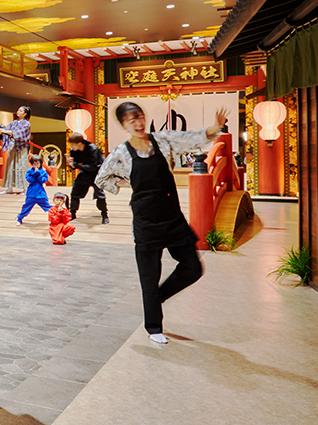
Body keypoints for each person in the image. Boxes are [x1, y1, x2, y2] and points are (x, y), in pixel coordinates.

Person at [96, 101, 228, 345]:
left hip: (171, 216)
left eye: (139, 116)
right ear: (124, 124)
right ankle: (154, 326)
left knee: (192, 268)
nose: (137, 122)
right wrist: (126, 183)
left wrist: (214, 128)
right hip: (145, 221)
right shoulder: (121, 153)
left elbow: (190, 139)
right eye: (130, 119)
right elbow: (102, 178)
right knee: (149, 276)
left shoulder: (163, 140)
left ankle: (158, 297)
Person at [66, 132, 109, 224]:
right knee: (75, 191)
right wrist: (71, 164)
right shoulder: (74, 151)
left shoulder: (92, 149)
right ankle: (72, 213)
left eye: (73, 144)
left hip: (97, 172)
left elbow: (93, 166)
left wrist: (76, 165)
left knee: (100, 194)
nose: (71, 146)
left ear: (79, 143)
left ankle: (104, 214)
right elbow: (74, 165)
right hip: (85, 171)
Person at [0, 106, 32, 194]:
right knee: (10, 165)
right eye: (18, 110)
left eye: (20, 111)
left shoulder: (27, 124)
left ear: (25, 114)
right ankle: (9, 188)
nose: (18, 112)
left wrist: (6, 131)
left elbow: (19, 133)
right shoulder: (13, 123)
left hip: (21, 146)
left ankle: (25, 188)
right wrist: (2, 131)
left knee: (22, 166)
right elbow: (7, 130)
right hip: (13, 145)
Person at [16, 155, 51, 225]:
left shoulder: (43, 172)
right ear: (32, 163)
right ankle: (19, 218)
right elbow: (30, 180)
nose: (36, 165)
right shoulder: (29, 172)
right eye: (34, 163)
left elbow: (42, 181)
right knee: (26, 207)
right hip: (31, 193)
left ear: (41, 163)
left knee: (48, 207)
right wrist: (34, 174)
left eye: (37, 163)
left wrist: (38, 173)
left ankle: (57, 217)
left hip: (40, 193)